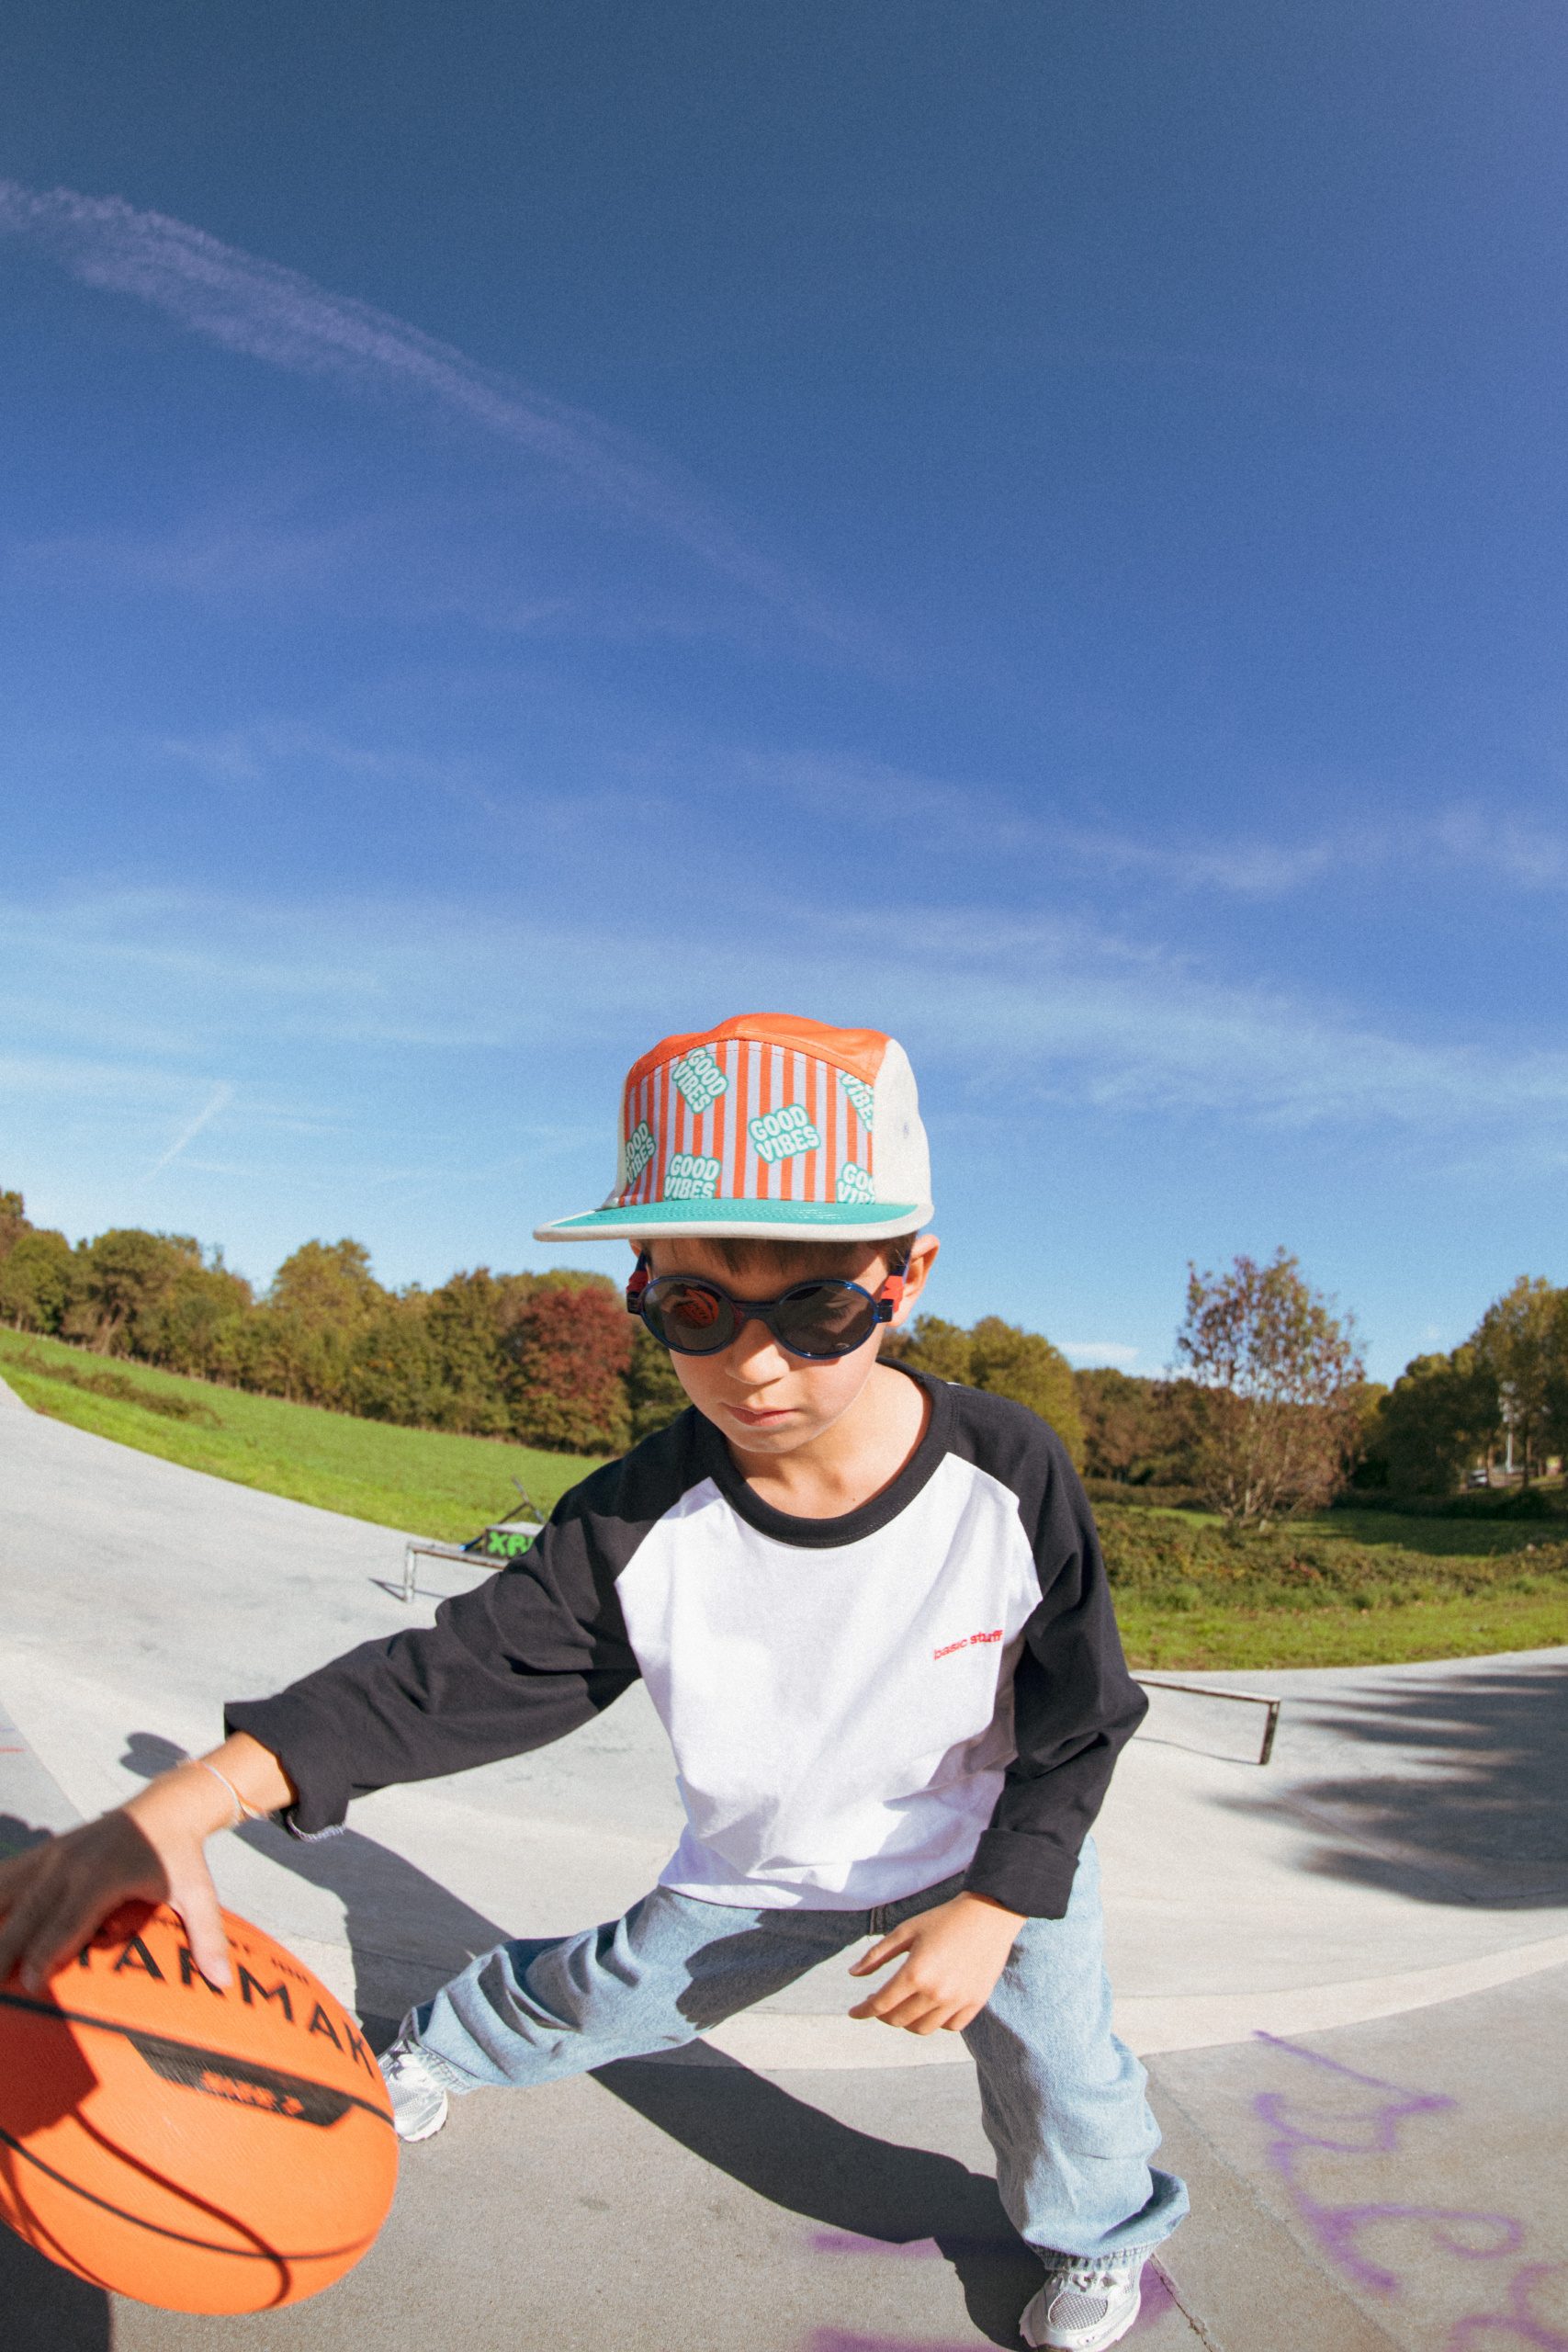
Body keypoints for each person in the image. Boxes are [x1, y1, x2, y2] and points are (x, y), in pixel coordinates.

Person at [0, 1012, 1185, 2352]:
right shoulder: (639, 1519)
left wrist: (1001, 1900)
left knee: (1065, 2069)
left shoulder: (1007, 1473)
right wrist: (189, 1801)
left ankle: (1103, 2234)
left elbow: (1085, 1717)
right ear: (642, 1284)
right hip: (766, 1868)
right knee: (603, 1994)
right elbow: (454, 1674)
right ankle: (439, 2048)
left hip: (994, 1849)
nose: (753, 1364)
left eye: (817, 1308)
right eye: (696, 1308)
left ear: (905, 1277)